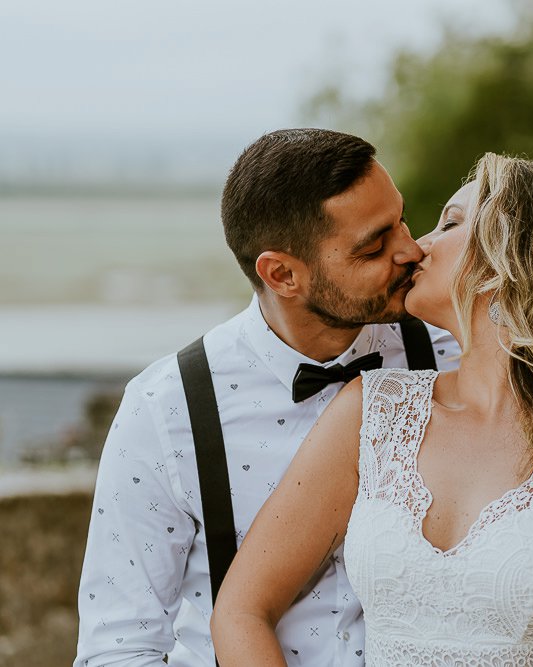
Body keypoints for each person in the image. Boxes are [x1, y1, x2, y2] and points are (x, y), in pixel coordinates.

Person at [211, 153, 533, 665]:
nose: (418, 246)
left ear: (520, 256)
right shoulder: (373, 412)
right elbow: (240, 610)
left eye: (452, 223)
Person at [74, 128, 460, 666]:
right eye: (373, 246)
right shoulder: (167, 410)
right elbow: (118, 646)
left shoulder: (453, 358)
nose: (410, 249)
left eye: (401, 220)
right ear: (282, 274)